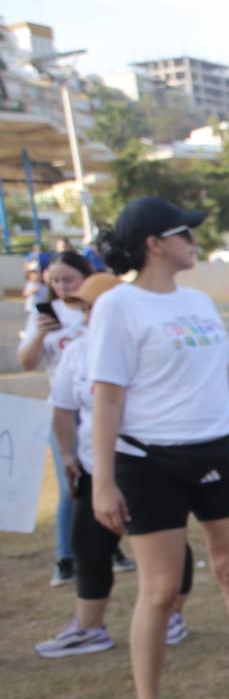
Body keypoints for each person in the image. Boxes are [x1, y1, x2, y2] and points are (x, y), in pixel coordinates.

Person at [88, 196, 229, 699]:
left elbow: (226, 378)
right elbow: (107, 400)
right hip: (148, 460)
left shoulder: (198, 300)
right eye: (185, 233)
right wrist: (104, 482)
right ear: (154, 242)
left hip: (215, 450)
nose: (195, 240)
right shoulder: (117, 306)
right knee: (161, 589)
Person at [34, 272, 192, 658]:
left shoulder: (146, 342)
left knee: (165, 546)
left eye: (93, 307)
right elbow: (64, 408)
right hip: (95, 467)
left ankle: (172, 615)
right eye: (85, 309)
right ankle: (89, 627)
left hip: (144, 465)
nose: (88, 316)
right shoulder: (77, 351)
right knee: (88, 544)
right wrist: (69, 455)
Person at [19, 250, 94, 586]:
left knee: (105, 483)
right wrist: (39, 333)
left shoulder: (98, 309)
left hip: (100, 407)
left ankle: (108, 548)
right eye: (55, 281)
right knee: (72, 487)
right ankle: (66, 556)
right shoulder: (44, 316)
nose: (62, 287)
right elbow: (26, 362)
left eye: (69, 279)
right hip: (65, 410)